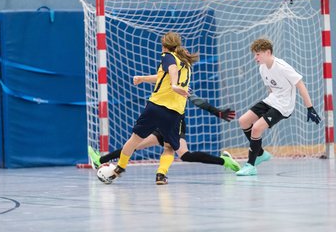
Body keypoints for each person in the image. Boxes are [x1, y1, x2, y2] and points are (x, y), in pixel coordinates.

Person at [99, 31, 200, 183]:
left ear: (164, 46)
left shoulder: (168, 56)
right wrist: (143, 79)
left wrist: (174, 84)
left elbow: (171, 69)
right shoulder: (184, 62)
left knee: (134, 140)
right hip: (173, 112)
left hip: (155, 106)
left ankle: (120, 167)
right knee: (169, 147)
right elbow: (162, 76)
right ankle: (161, 174)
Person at [88, 89, 240, 184]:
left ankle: (224, 161)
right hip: (160, 122)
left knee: (184, 155)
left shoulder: (181, 83)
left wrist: (216, 111)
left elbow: (196, 100)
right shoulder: (165, 78)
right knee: (134, 145)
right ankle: (100, 160)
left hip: (175, 122)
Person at [236, 38, 321, 176]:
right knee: (243, 121)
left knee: (257, 128)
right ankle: (261, 154)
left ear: (268, 52)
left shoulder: (282, 66)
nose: (255, 57)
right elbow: (270, 89)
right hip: (272, 101)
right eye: (255, 54)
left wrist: (310, 108)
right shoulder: (262, 68)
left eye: (258, 54)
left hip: (283, 106)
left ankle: (250, 165)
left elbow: (300, 85)